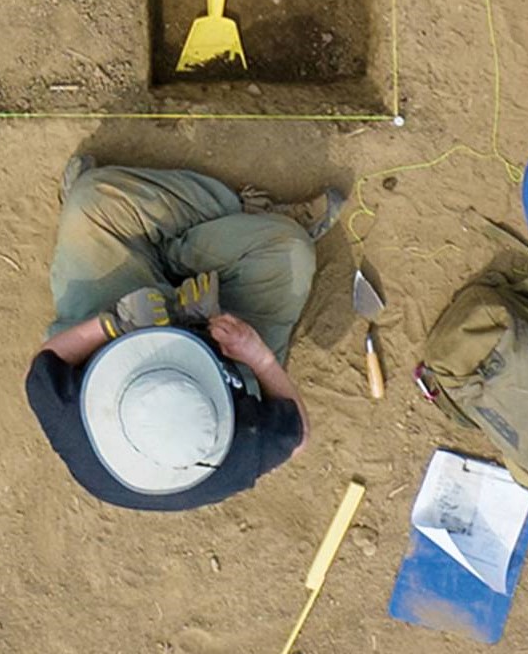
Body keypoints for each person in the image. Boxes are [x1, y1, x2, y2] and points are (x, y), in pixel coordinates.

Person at [24, 157, 342, 512]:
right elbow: (298, 438)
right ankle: (244, 226)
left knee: (91, 200)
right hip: (230, 343)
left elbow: (50, 357)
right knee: (291, 250)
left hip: (124, 319)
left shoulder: (72, 420)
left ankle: (189, 239)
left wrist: (113, 324)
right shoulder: (238, 451)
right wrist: (257, 356)